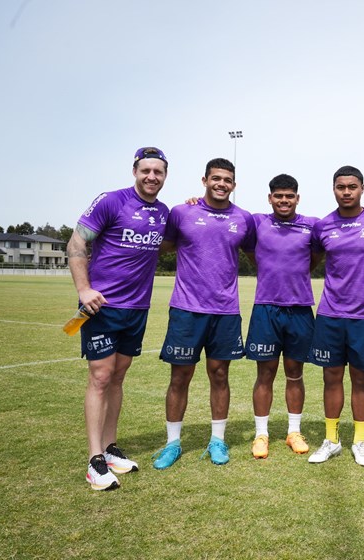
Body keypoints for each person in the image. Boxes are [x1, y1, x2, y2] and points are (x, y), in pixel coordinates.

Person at [68, 146, 170, 491]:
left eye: (158, 172)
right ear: (135, 171)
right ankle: (95, 460)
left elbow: (170, 244)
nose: (151, 177)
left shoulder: (164, 212)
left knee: (118, 376)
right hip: (102, 307)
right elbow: (77, 242)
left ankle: (111, 449)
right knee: (100, 377)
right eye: (146, 170)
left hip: (137, 309)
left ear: (164, 175)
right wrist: (84, 290)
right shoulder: (111, 201)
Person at [151, 158, 255, 470]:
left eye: (227, 180)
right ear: (205, 180)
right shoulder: (182, 212)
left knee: (220, 375)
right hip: (186, 309)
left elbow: (259, 253)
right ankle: (172, 444)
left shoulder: (244, 218)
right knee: (179, 376)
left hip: (225, 311)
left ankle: (217, 440)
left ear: (234, 185)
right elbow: (163, 247)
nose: (222, 184)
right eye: (216, 178)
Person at [306, 165, 364, 467]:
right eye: (341, 187)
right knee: (331, 377)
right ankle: (331, 440)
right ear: (334, 189)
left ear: (362, 189)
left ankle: (359, 441)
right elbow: (313, 259)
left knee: (360, 378)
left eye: (352, 187)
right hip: (330, 313)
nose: (347, 192)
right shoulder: (323, 226)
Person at [244, 174, 319, 459]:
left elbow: (317, 257)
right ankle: (261, 434)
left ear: (297, 198)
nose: (284, 200)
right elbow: (251, 251)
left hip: (300, 309)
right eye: (278, 196)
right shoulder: (257, 222)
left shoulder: (311, 225)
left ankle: (293, 431)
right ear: (270, 198)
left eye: (289, 196)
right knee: (264, 374)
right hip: (266, 308)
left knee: (295, 374)